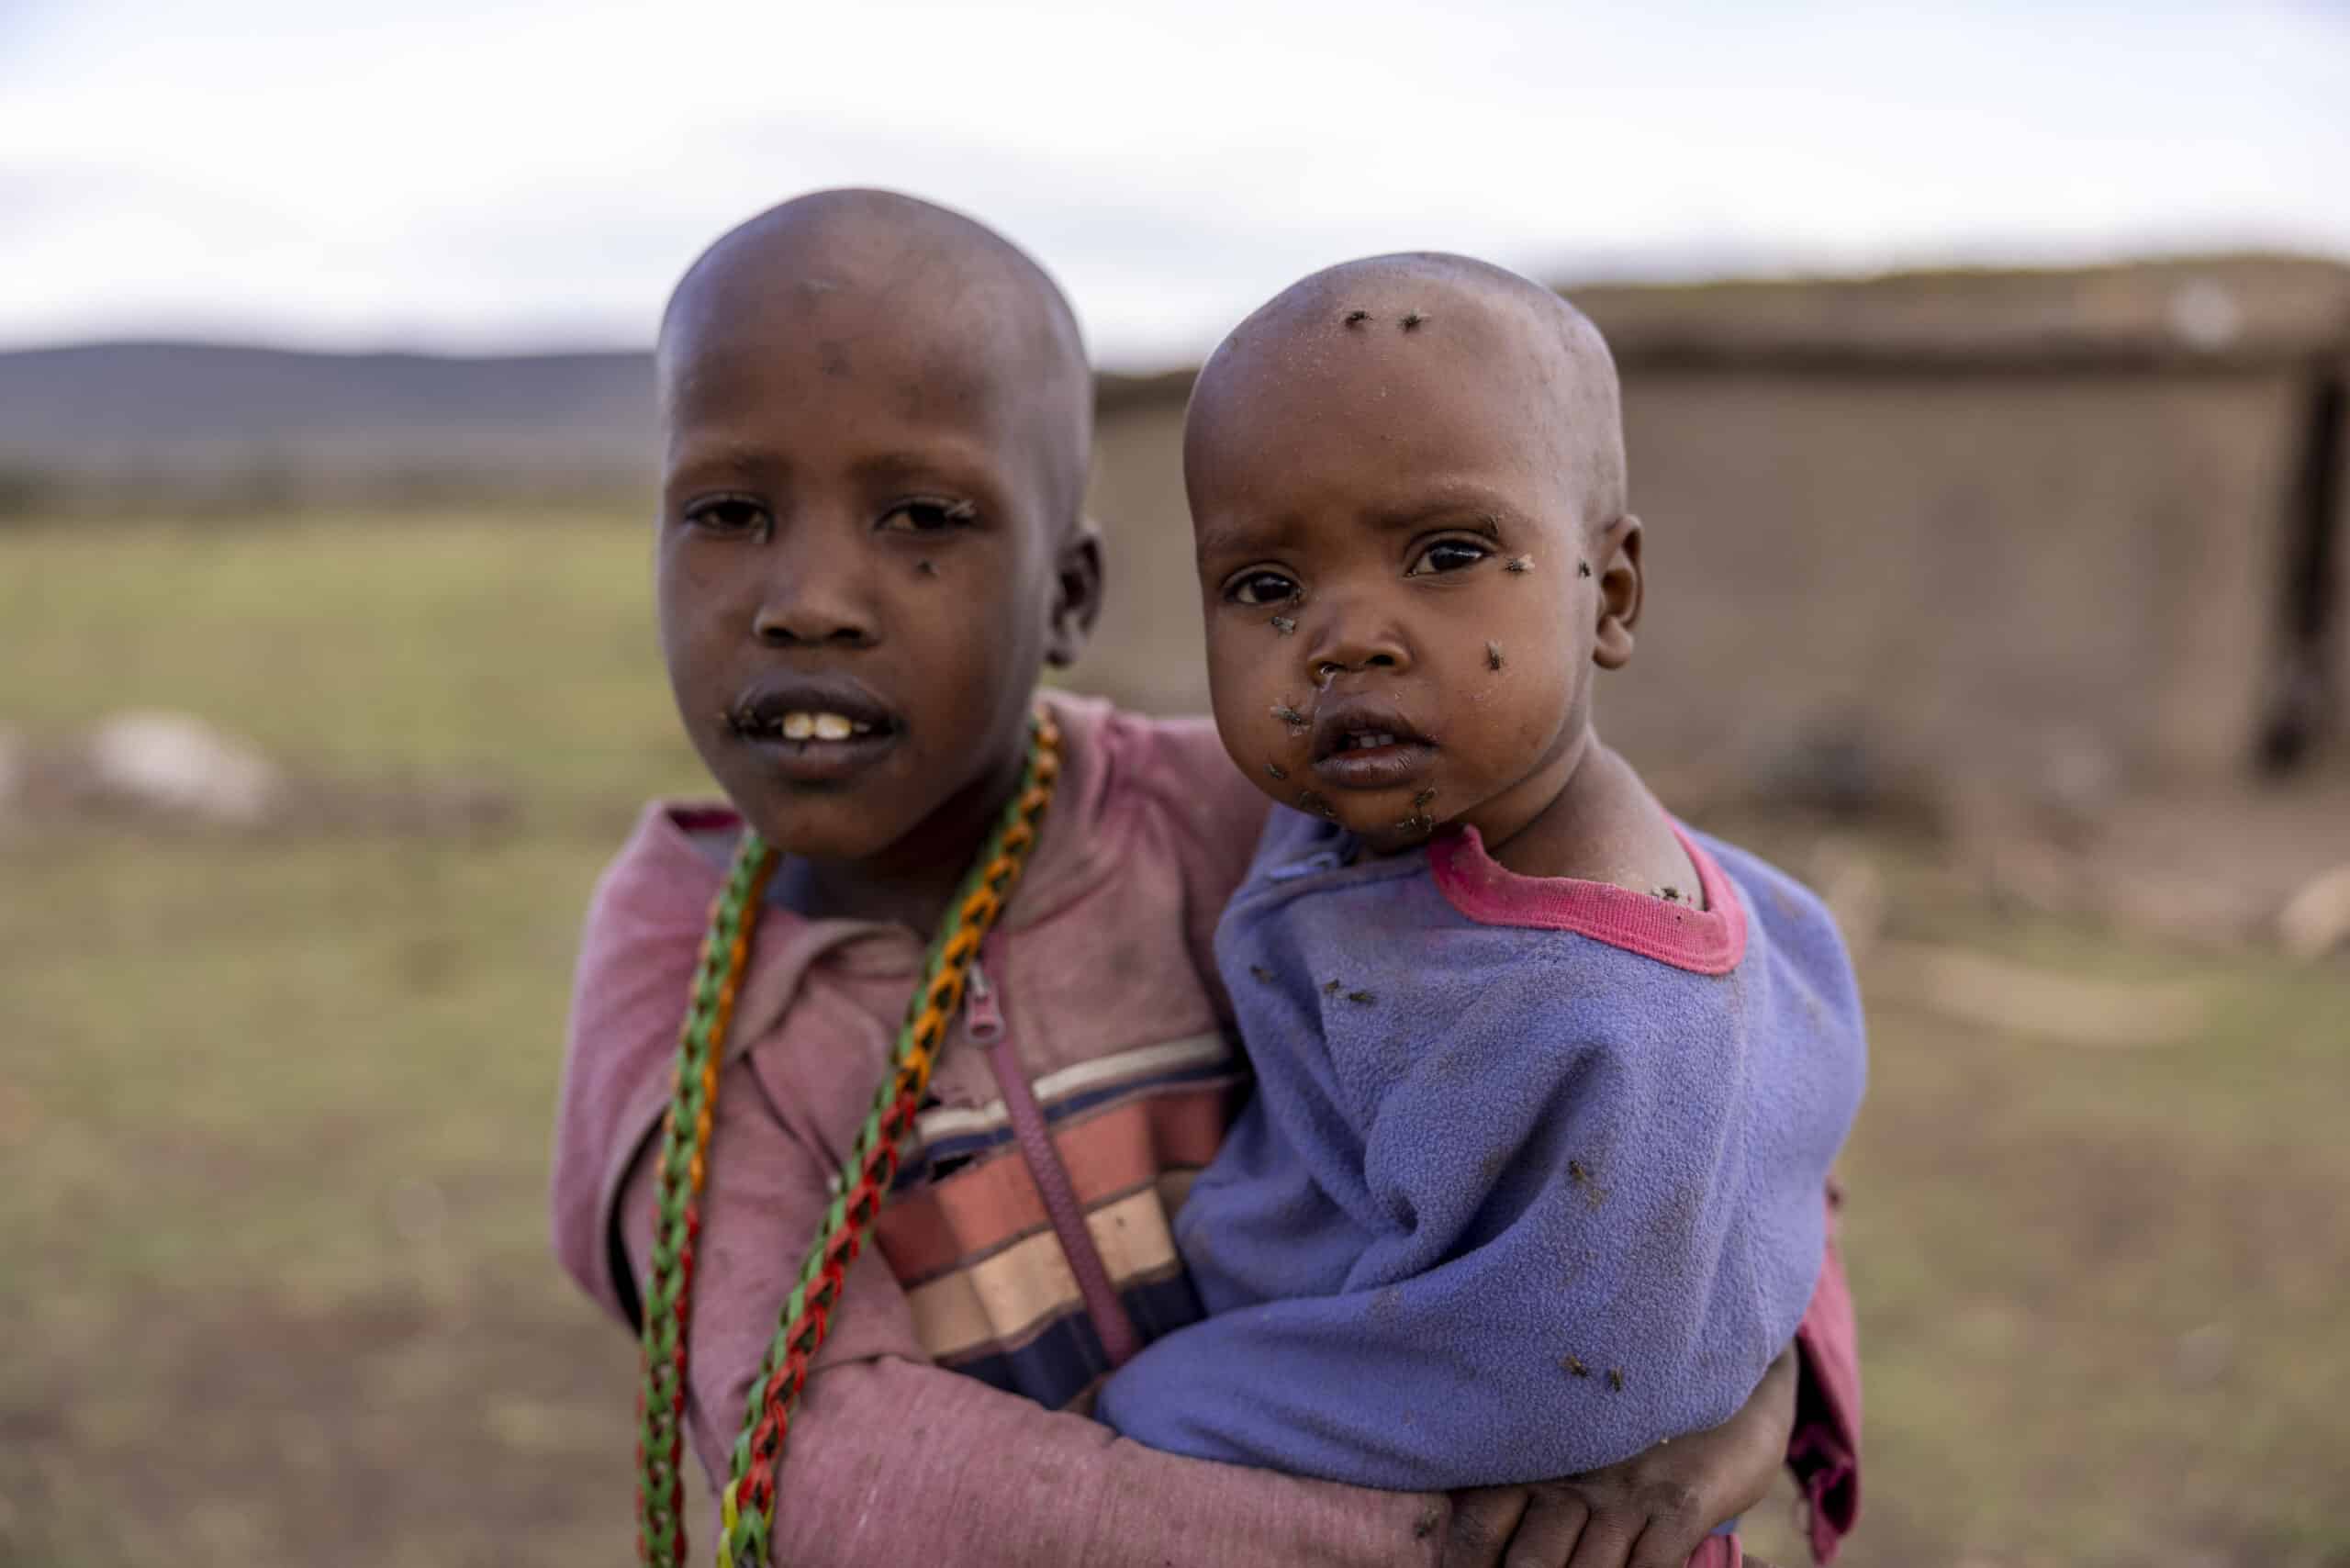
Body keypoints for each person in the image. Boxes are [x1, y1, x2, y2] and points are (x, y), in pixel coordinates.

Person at [550, 192, 1861, 1568]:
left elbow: (1709, 1052)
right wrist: (1435, 1546)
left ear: (1068, 597)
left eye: (924, 514)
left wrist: (1743, 1402)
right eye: (728, 510)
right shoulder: (691, 999)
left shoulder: (1265, 812)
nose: (810, 597)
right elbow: (822, 1461)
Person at [1091, 252, 1867, 1556]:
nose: (1342, 639)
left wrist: (1153, 1411)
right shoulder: (1390, 809)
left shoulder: (1596, 1015)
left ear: (1608, 593)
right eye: (1265, 587)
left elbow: (1544, 1383)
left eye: (1447, 554)